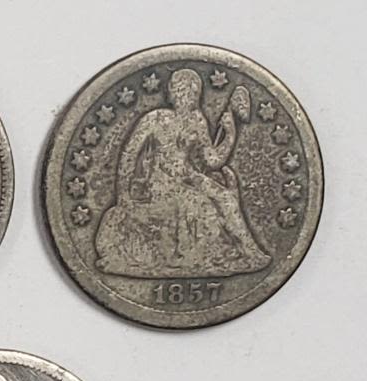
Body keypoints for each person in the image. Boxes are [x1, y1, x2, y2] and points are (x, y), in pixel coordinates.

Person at [94, 68, 271, 277]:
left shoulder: (197, 120)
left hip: (189, 177)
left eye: (192, 91)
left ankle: (251, 252)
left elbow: (212, 161)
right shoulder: (156, 118)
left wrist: (230, 133)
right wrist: (123, 194)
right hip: (161, 184)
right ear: (173, 92)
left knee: (225, 197)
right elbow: (129, 154)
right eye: (182, 90)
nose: (187, 95)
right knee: (198, 203)